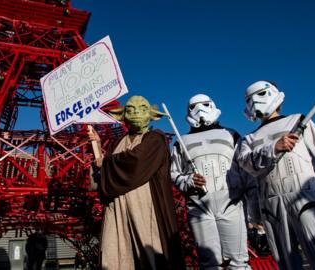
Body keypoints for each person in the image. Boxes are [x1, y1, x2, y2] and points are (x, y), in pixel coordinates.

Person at [235, 80, 315, 270]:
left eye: (259, 95)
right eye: (250, 99)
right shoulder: (248, 139)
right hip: (271, 206)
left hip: (306, 199)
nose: (255, 102)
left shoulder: (299, 121)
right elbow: (246, 165)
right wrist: (274, 148)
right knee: (286, 264)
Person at [89, 95, 185, 270]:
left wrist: (106, 162)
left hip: (145, 205)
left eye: (141, 109)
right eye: (131, 109)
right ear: (122, 115)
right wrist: (97, 147)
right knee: (116, 252)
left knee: (150, 251)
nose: (136, 113)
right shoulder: (117, 143)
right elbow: (103, 173)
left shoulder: (155, 139)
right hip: (118, 207)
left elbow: (137, 160)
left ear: (151, 115)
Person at [170, 94, 253, 269]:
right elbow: (174, 173)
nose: (200, 110)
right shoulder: (181, 142)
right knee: (209, 264)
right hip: (199, 207)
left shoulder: (231, 135)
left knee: (238, 262)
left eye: (204, 105)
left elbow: (246, 170)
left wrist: (253, 209)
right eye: (194, 106)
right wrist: (189, 180)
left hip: (231, 204)